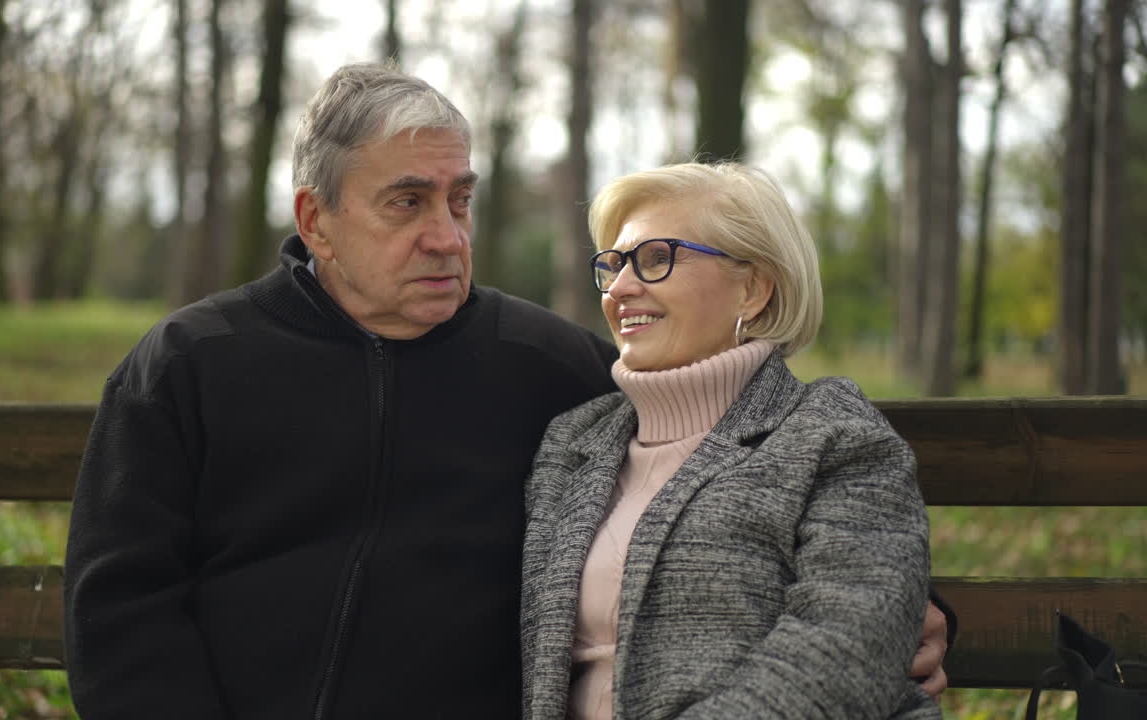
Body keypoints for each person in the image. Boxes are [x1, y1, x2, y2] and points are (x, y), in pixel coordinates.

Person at [63, 63, 951, 719]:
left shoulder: (551, 368)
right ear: (316, 221)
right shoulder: (190, 363)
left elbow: (750, 453)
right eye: (406, 204)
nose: (447, 237)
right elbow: (121, 607)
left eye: (460, 201)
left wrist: (910, 607)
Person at [520, 162, 942, 719]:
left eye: (656, 259)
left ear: (754, 289)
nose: (620, 288)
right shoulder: (575, 443)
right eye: (613, 265)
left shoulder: (831, 434)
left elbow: (845, 650)